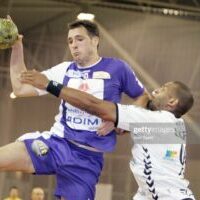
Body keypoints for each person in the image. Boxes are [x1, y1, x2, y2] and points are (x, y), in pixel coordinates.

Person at [2, 19, 148, 200]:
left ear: (95, 40)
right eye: (70, 41)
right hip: (56, 144)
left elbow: (144, 97)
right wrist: (17, 47)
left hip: (87, 159)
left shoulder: (117, 68)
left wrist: (119, 119)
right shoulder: (64, 70)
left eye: (79, 39)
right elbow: (20, 88)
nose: (74, 45)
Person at [20, 72, 195, 200]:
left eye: (163, 89)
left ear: (172, 102)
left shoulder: (157, 120)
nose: (156, 90)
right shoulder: (171, 125)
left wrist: (50, 85)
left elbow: (94, 105)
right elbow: (122, 128)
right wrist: (120, 121)